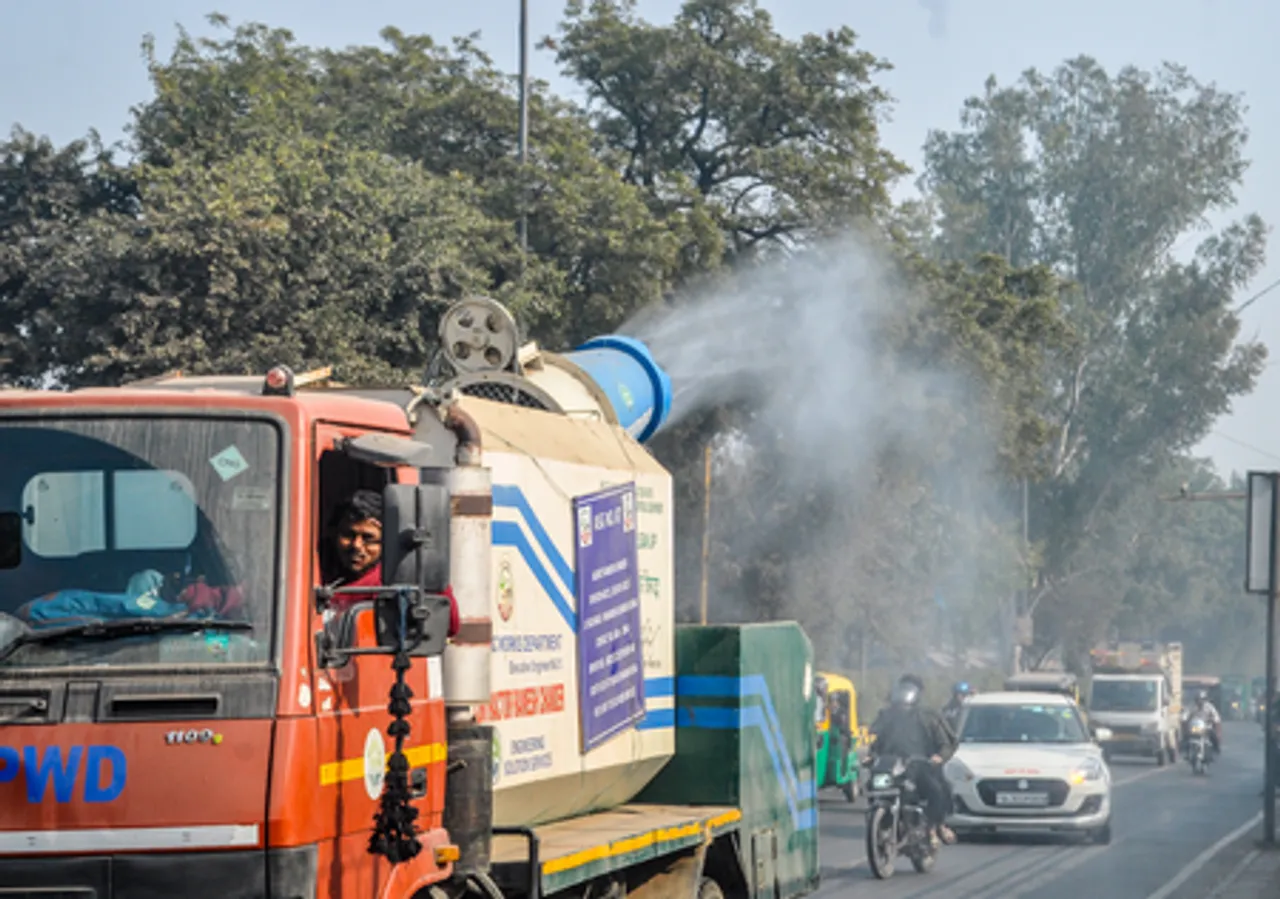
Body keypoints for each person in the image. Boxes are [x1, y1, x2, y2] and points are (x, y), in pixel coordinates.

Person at [327, 489, 459, 638]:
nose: (356, 545)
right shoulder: (318, 569)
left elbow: (451, 626)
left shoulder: (398, 578)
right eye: (348, 535)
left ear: (388, 540)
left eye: (368, 538)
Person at [869, 674, 959, 845]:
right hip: (893, 767)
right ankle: (881, 823)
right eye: (903, 687)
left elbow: (947, 743)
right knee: (873, 786)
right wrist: (870, 755)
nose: (904, 693)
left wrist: (939, 757)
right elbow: (876, 739)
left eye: (909, 688)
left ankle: (935, 826)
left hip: (921, 766)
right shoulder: (886, 715)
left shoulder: (929, 716)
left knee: (936, 792)